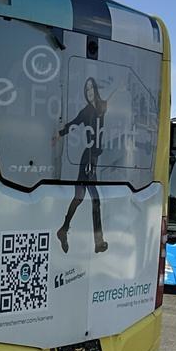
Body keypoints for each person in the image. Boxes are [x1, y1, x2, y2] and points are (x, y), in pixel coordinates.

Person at [53, 77, 109, 254]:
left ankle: (63, 229)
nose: (89, 92)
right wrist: (59, 134)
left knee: (79, 197)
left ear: (96, 90)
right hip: (88, 158)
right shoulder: (86, 111)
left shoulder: (102, 107)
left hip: (94, 158)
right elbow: (73, 124)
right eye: (87, 90)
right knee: (94, 199)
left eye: (92, 89)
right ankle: (98, 242)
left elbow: (110, 99)